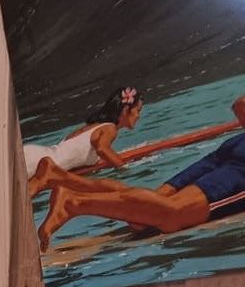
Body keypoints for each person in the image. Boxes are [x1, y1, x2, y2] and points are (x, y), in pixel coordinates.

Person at [35, 97, 245, 251]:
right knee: (174, 215)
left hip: (234, 147)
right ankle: (75, 203)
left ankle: (65, 181)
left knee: (147, 214)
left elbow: (240, 105)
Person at [25, 87, 143, 198]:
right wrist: (125, 168)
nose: (139, 116)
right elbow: (102, 150)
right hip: (37, 164)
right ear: (126, 110)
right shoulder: (110, 128)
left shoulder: (93, 126)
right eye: (138, 110)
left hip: (36, 155)